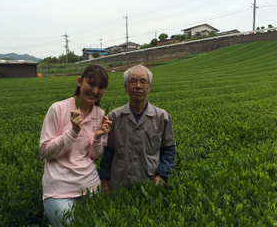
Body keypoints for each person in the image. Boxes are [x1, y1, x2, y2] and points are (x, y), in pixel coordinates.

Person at [39, 65, 112, 226]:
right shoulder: (58, 109)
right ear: (80, 82)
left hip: (91, 186)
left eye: (101, 87)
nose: (95, 90)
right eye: (91, 84)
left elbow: (94, 155)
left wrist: (98, 138)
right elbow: (45, 151)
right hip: (59, 191)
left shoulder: (100, 115)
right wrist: (73, 132)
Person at [99, 64, 176, 193]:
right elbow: (107, 152)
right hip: (119, 185)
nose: (138, 86)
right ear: (126, 87)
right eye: (133, 81)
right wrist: (104, 180)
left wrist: (161, 175)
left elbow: (168, 150)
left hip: (150, 184)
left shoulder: (162, 117)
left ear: (149, 87)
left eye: (143, 81)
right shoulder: (114, 117)